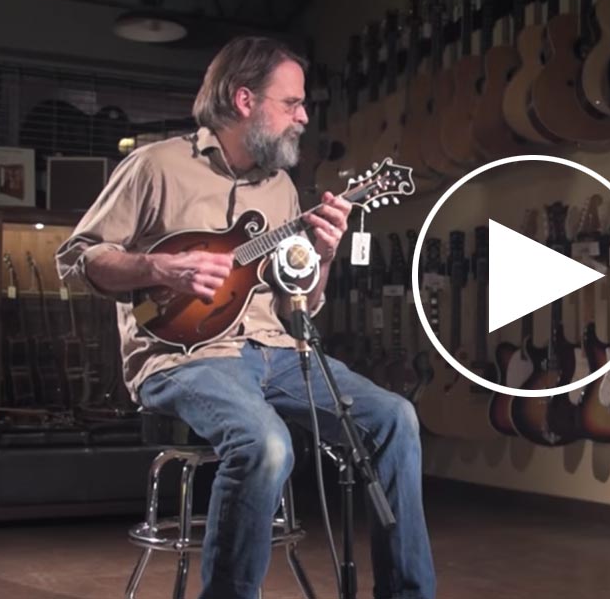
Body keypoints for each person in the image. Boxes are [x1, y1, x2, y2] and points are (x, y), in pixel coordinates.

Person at [56, 37, 435, 599]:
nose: (303, 117)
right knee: (267, 442)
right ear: (243, 100)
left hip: (275, 351)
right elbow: (75, 260)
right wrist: (159, 266)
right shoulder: (155, 166)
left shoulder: (281, 189)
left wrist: (324, 256)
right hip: (183, 358)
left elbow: (295, 302)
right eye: (292, 103)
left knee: (395, 418)